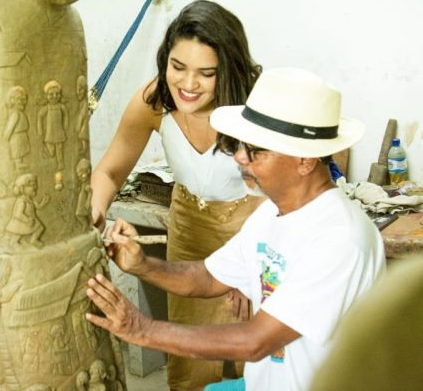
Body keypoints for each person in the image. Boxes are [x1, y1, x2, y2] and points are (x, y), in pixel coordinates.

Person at [86, 68, 387, 391]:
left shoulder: (339, 240)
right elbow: (207, 277)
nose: (240, 158)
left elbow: (254, 341)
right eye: (241, 146)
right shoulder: (272, 212)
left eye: (256, 151)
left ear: (305, 161)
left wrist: (141, 329)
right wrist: (142, 265)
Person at [89, 0, 264, 389]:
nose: (187, 85)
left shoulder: (254, 107)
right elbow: (110, 169)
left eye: (206, 74)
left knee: (251, 352)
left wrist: (251, 268)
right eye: (177, 67)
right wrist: (95, 209)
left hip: (252, 232)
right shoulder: (153, 102)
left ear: (229, 70)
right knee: (190, 352)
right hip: (189, 229)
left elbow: (280, 201)